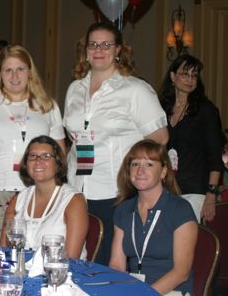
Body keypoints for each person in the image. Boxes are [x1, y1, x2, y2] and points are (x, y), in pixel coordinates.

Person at [63, 22, 168, 265]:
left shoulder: (135, 90)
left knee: (110, 266)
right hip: (77, 190)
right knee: (77, 263)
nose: (99, 49)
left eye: (106, 44)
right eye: (93, 44)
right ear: (86, 50)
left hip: (116, 192)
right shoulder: (74, 89)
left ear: (118, 50)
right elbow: (74, 137)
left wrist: (133, 168)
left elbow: (160, 138)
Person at [0, 45, 65, 241]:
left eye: (20, 69)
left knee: (35, 255)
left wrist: (58, 194)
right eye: (8, 70)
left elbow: (59, 154)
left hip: (39, 192)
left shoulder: (47, 105)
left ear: (30, 72)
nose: (15, 76)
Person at [110, 139, 197, 296]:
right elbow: (116, 265)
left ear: (163, 172)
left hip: (172, 291)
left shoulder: (180, 209)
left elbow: (181, 272)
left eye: (149, 164)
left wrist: (144, 294)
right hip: (134, 289)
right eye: (135, 164)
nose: (140, 171)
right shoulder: (123, 210)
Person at [159, 55, 224, 222]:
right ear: (173, 77)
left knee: (185, 243)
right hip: (166, 189)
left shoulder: (205, 110)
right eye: (185, 74)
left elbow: (215, 155)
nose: (190, 79)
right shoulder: (162, 108)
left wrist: (211, 193)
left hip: (195, 190)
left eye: (194, 75)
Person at [0, 136, 88, 258]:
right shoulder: (18, 199)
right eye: (32, 156)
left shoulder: (74, 201)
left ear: (58, 163)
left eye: (46, 156)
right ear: (26, 163)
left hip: (62, 274)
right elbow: (4, 248)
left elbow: (71, 258)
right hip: (21, 271)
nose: (37, 161)